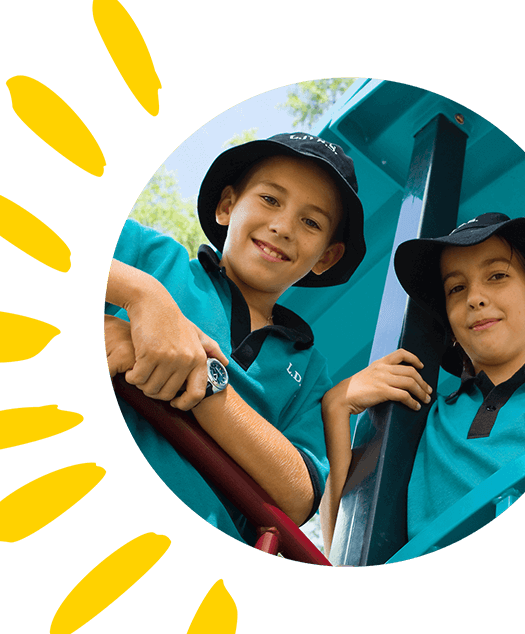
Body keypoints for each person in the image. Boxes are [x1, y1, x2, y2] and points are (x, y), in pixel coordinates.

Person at [105, 133, 366, 546]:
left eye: (311, 222)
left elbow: (299, 497)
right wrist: (141, 294)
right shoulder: (155, 260)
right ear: (227, 206)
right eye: (270, 199)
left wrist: (206, 381)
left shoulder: (311, 369)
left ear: (326, 257)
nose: (282, 227)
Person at [321, 212, 525, 555]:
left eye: (496, 275)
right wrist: (336, 406)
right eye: (457, 288)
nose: (474, 298)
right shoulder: (413, 421)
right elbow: (346, 549)